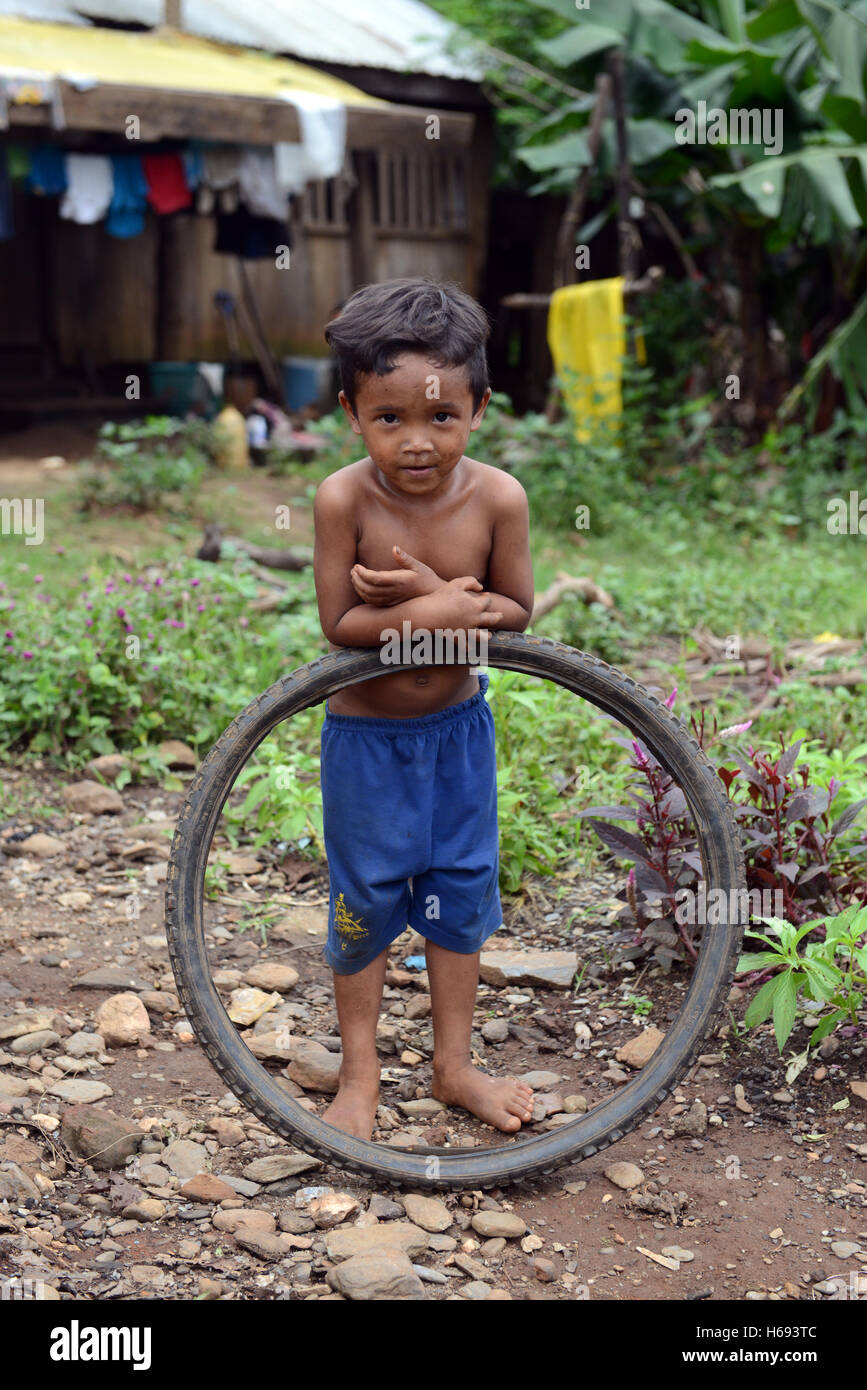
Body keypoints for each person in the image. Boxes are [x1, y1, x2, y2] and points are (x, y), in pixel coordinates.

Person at [313, 277, 535, 1141]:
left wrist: (443, 596)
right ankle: (359, 1071)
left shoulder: (497, 499)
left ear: (478, 407)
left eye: (441, 418)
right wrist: (432, 611)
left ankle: (453, 1066)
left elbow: (512, 614)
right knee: (364, 895)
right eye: (389, 419)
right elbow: (342, 627)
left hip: (456, 736)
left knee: (459, 887)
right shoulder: (343, 501)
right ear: (351, 412)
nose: (416, 442)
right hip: (365, 739)